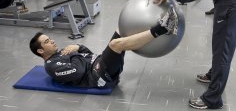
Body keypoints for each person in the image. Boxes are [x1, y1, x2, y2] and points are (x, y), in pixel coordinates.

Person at [29, 7, 178, 88]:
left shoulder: (62, 52)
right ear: (41, 51)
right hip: (98, 77)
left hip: (98, 63)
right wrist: (75, 54)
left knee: (121, 30)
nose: (52, 41)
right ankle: (163, 28)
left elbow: (89, 54)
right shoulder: (52, 66)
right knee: (115, 44)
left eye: (50, 38)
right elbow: (79, 71)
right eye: (47, 41)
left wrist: (78, 47)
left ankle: (157, 24)